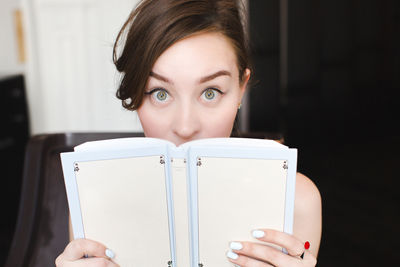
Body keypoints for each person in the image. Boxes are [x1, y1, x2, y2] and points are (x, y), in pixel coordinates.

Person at [56, 0, 322, 266]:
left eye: (210, 93)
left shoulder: (296, 200)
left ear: (241, 88)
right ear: (136, 95)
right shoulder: (94, 198)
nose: (185, 127)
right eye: (160, 94)